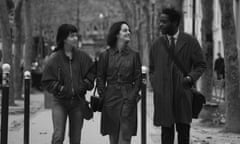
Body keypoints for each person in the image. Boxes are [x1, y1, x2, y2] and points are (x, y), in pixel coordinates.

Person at [149, 7, 206, 144]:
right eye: (160, 21)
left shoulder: (190, 41)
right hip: (164, 96)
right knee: (166, 135)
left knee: (183, 133)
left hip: (183, 94)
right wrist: (156, 85)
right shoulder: (157, 44)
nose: (160, 24)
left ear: (175, 23)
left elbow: (201, 65)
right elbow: (152, 69)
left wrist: (191, 78)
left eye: (164, 22)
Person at [41, 24, 95, 144]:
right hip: (59, 102)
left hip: (78, 103)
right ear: (64, 38)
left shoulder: (83, 57)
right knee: (58, 136)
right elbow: (46, 80)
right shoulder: (54, 58)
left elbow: (92, 72)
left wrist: (85, 84)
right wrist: (60, 88)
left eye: (76, 35)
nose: (75, 38)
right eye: (72, 36)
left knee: (75, 139)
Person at [96, 21, 142, 144]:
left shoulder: (134, 55)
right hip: (110, 99)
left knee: (125, 138)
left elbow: (138, 78)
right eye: (125, 30)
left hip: (128, 98)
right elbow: (100, 77)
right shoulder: (105, 55)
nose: (129, 33)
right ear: (117, 34)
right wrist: (103, 95)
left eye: (129, 30)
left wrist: (132, 96)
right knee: (114, 139)